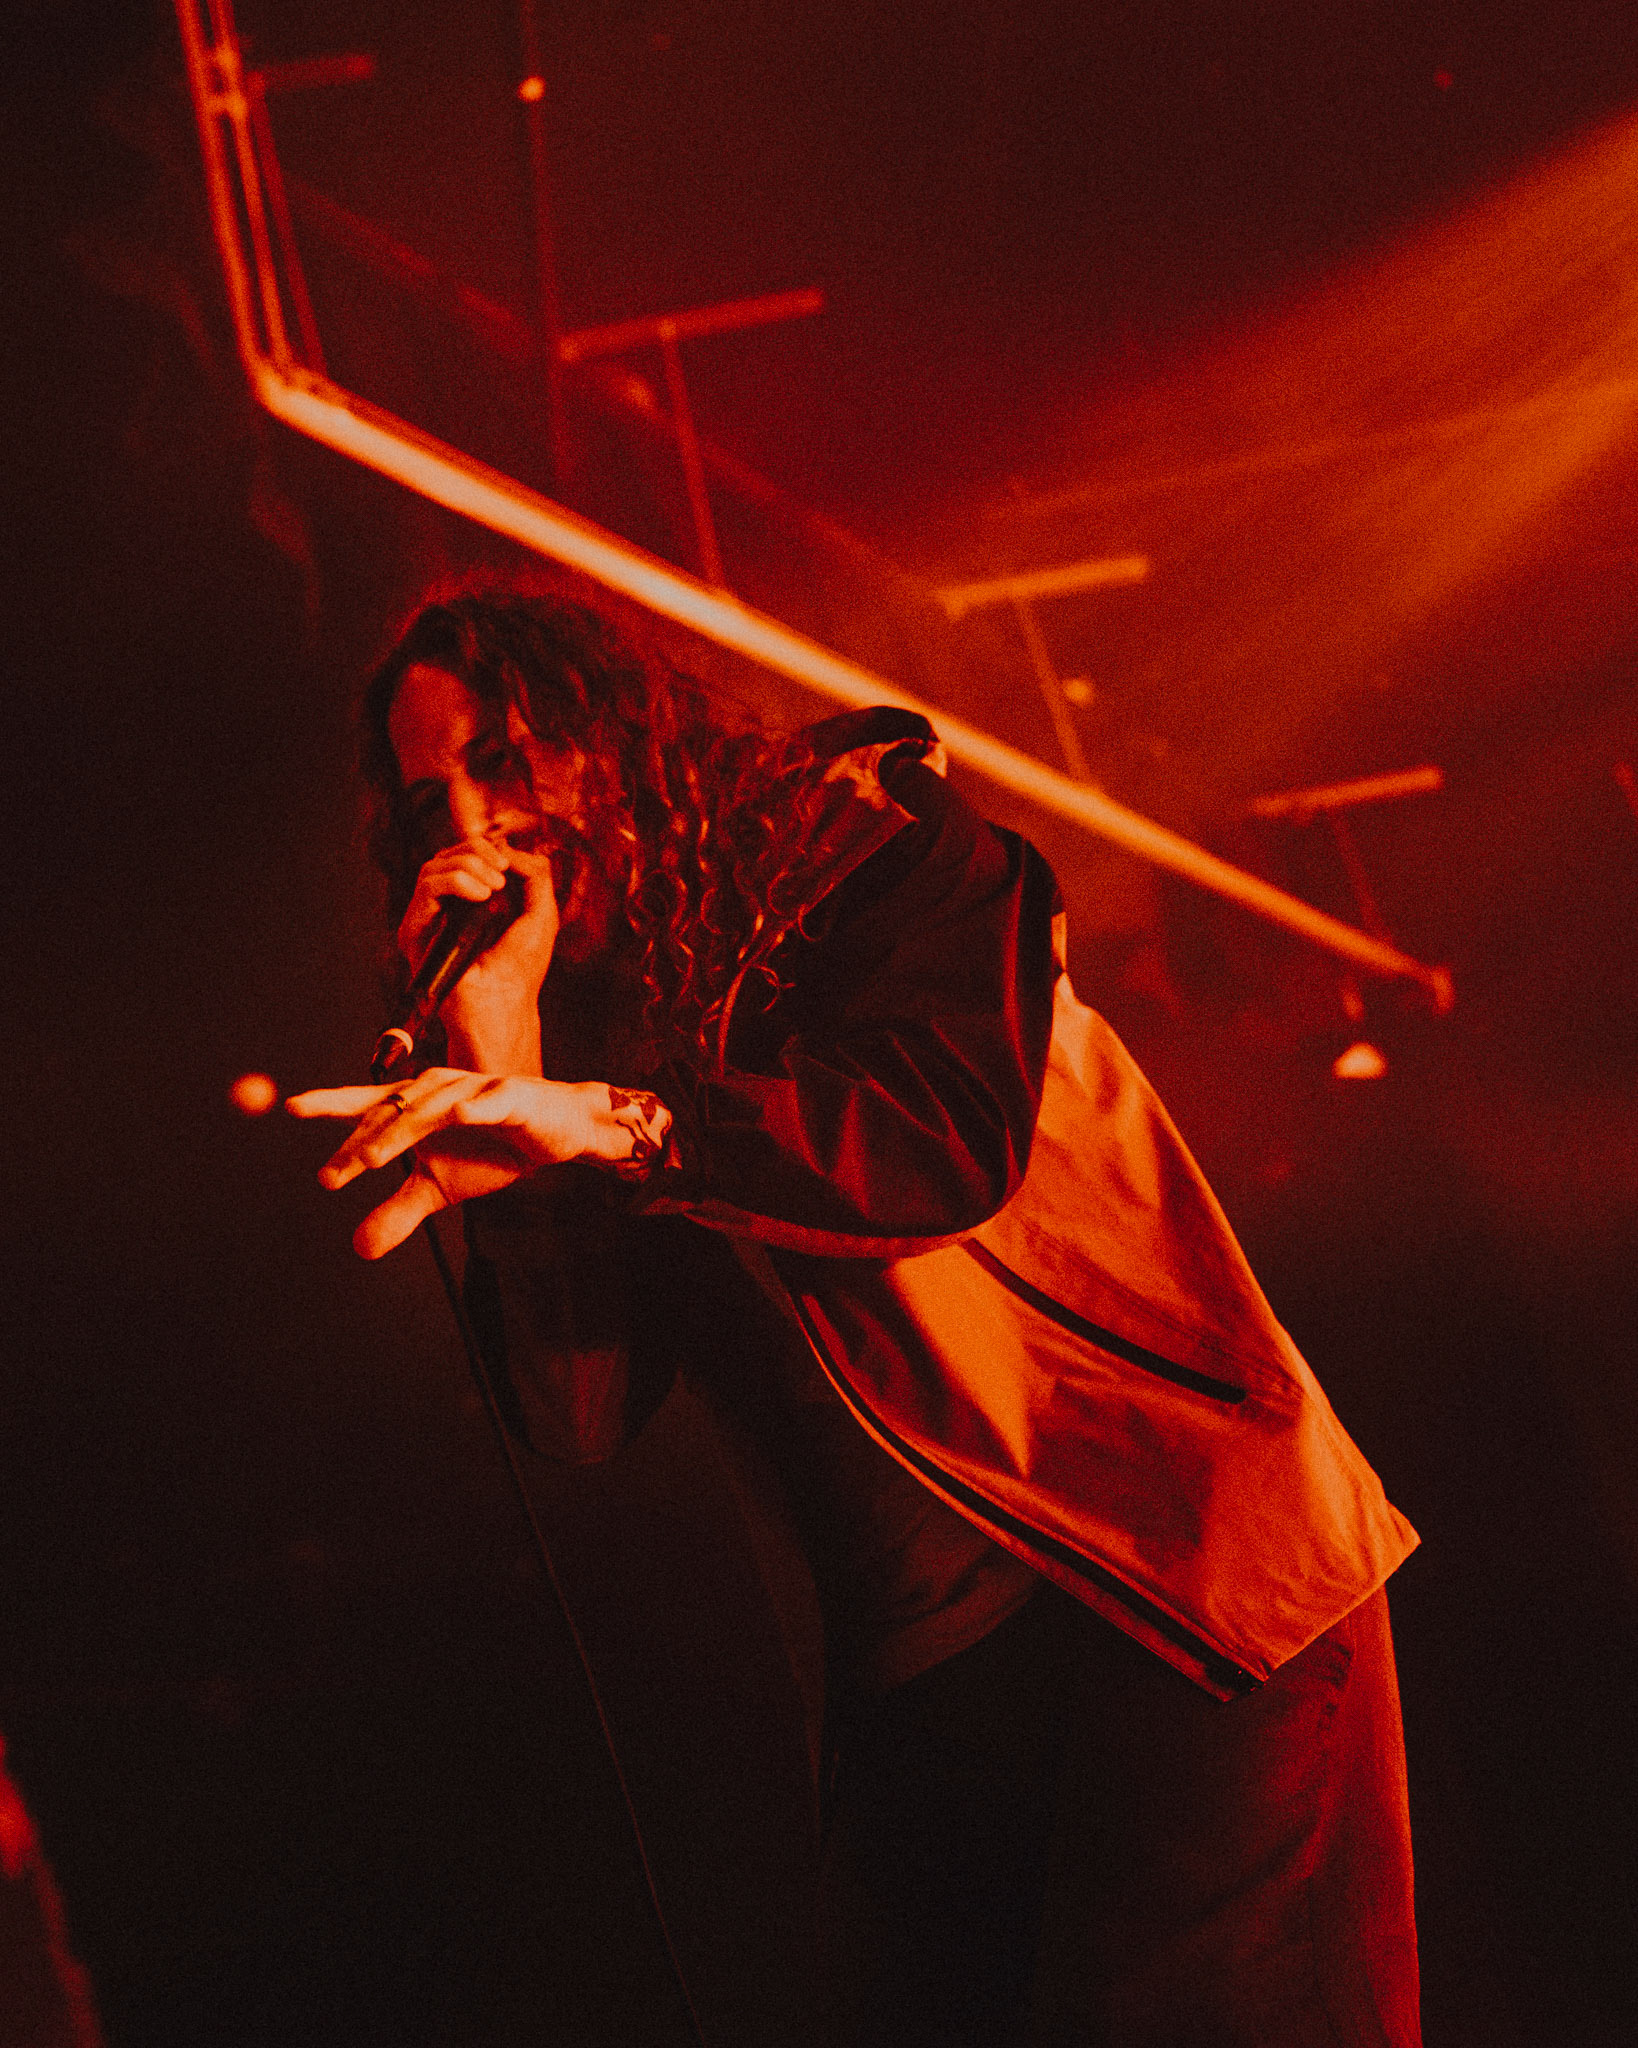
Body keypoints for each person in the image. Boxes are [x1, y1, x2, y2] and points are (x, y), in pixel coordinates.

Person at [291, 585, 1422, 2046]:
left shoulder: (870, 852)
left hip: (1161, 1569)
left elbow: (932, 1145)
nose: (471, 827)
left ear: (608, 731)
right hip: (925, 1671)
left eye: (504, 760)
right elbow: (579, 1417)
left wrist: (617, 1125)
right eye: (427, 802)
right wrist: (506, 1074)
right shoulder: (581, 1043)